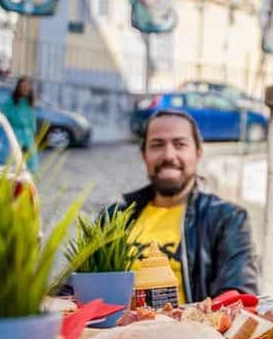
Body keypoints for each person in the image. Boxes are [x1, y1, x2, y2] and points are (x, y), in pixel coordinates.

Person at [107, 110, 258, 304]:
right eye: (157, 145)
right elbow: (78, 287)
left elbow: (238, 295)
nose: (169, 155)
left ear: (198, 153)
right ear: (144, 154)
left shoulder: (227, 219)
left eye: (180, 144)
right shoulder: (115, 218)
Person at [2, 77, 38, 172]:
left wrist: (32, 135)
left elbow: (32, 122)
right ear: (18, 87)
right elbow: (3, 118)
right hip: (14, 137)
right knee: (14, 166)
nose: (24, 89)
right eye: (22, 86)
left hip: (28, 139)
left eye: (27, 87)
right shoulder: (10, 102)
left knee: (31, 166)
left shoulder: (30, 103)